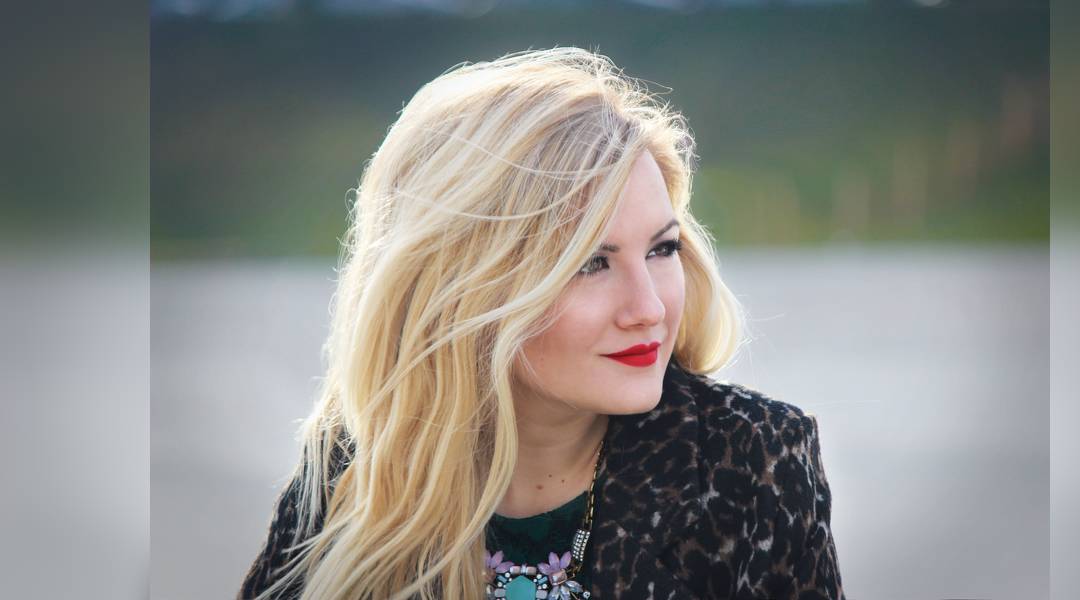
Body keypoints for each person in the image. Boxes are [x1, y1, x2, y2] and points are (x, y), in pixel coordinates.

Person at [239, 47, 844, 600]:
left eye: (661, 249)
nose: (649, 308)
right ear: (461, 287)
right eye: (590, 263)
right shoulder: (355, 470)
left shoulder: (753, 461)